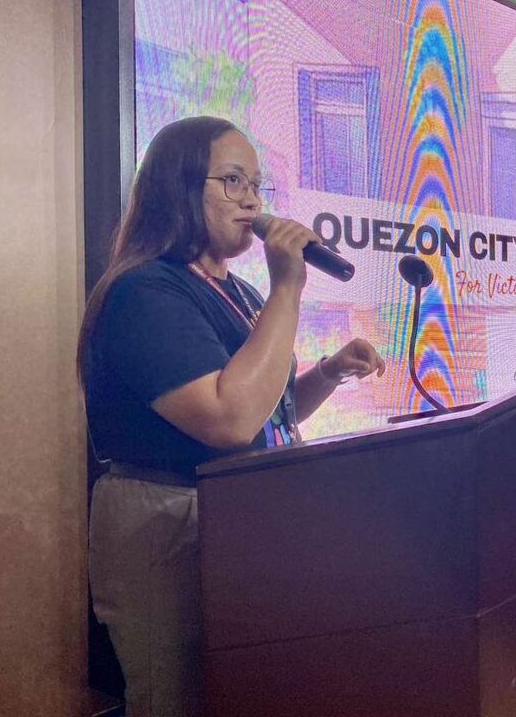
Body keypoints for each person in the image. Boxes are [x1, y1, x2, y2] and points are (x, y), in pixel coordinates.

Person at [78, 115, 385, 716]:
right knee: (179, 699)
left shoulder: (237, 292)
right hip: (168, 520)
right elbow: (228, 421)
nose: (251, 200)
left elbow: (266, 410)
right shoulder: (145, 291)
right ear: (179, 186)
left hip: (237, 516)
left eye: (256, 185)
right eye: (233, 181)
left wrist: (326, 374)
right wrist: (288, 289)